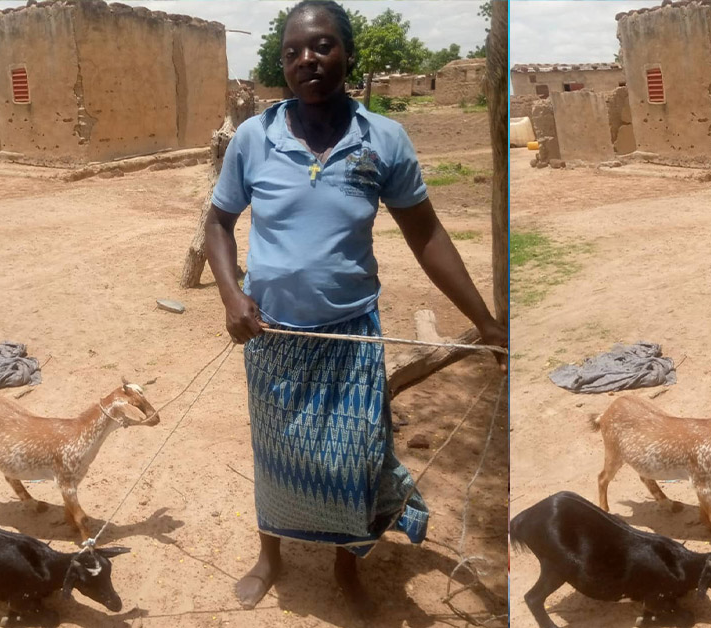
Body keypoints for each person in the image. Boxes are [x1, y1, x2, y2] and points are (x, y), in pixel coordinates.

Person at [202, 0, 508, 617]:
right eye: (291, 52)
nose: (305, 61)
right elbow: (218, 221)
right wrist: (233, 296)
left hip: (352, 336)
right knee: (277, 450)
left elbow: (427, 234)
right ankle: (271, 556)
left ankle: (347, 567)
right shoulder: (254, 139)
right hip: (273, 335)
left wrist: (485, 320)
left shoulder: (382, 139)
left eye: (320, 46)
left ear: (348, 52)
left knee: (356, 459)